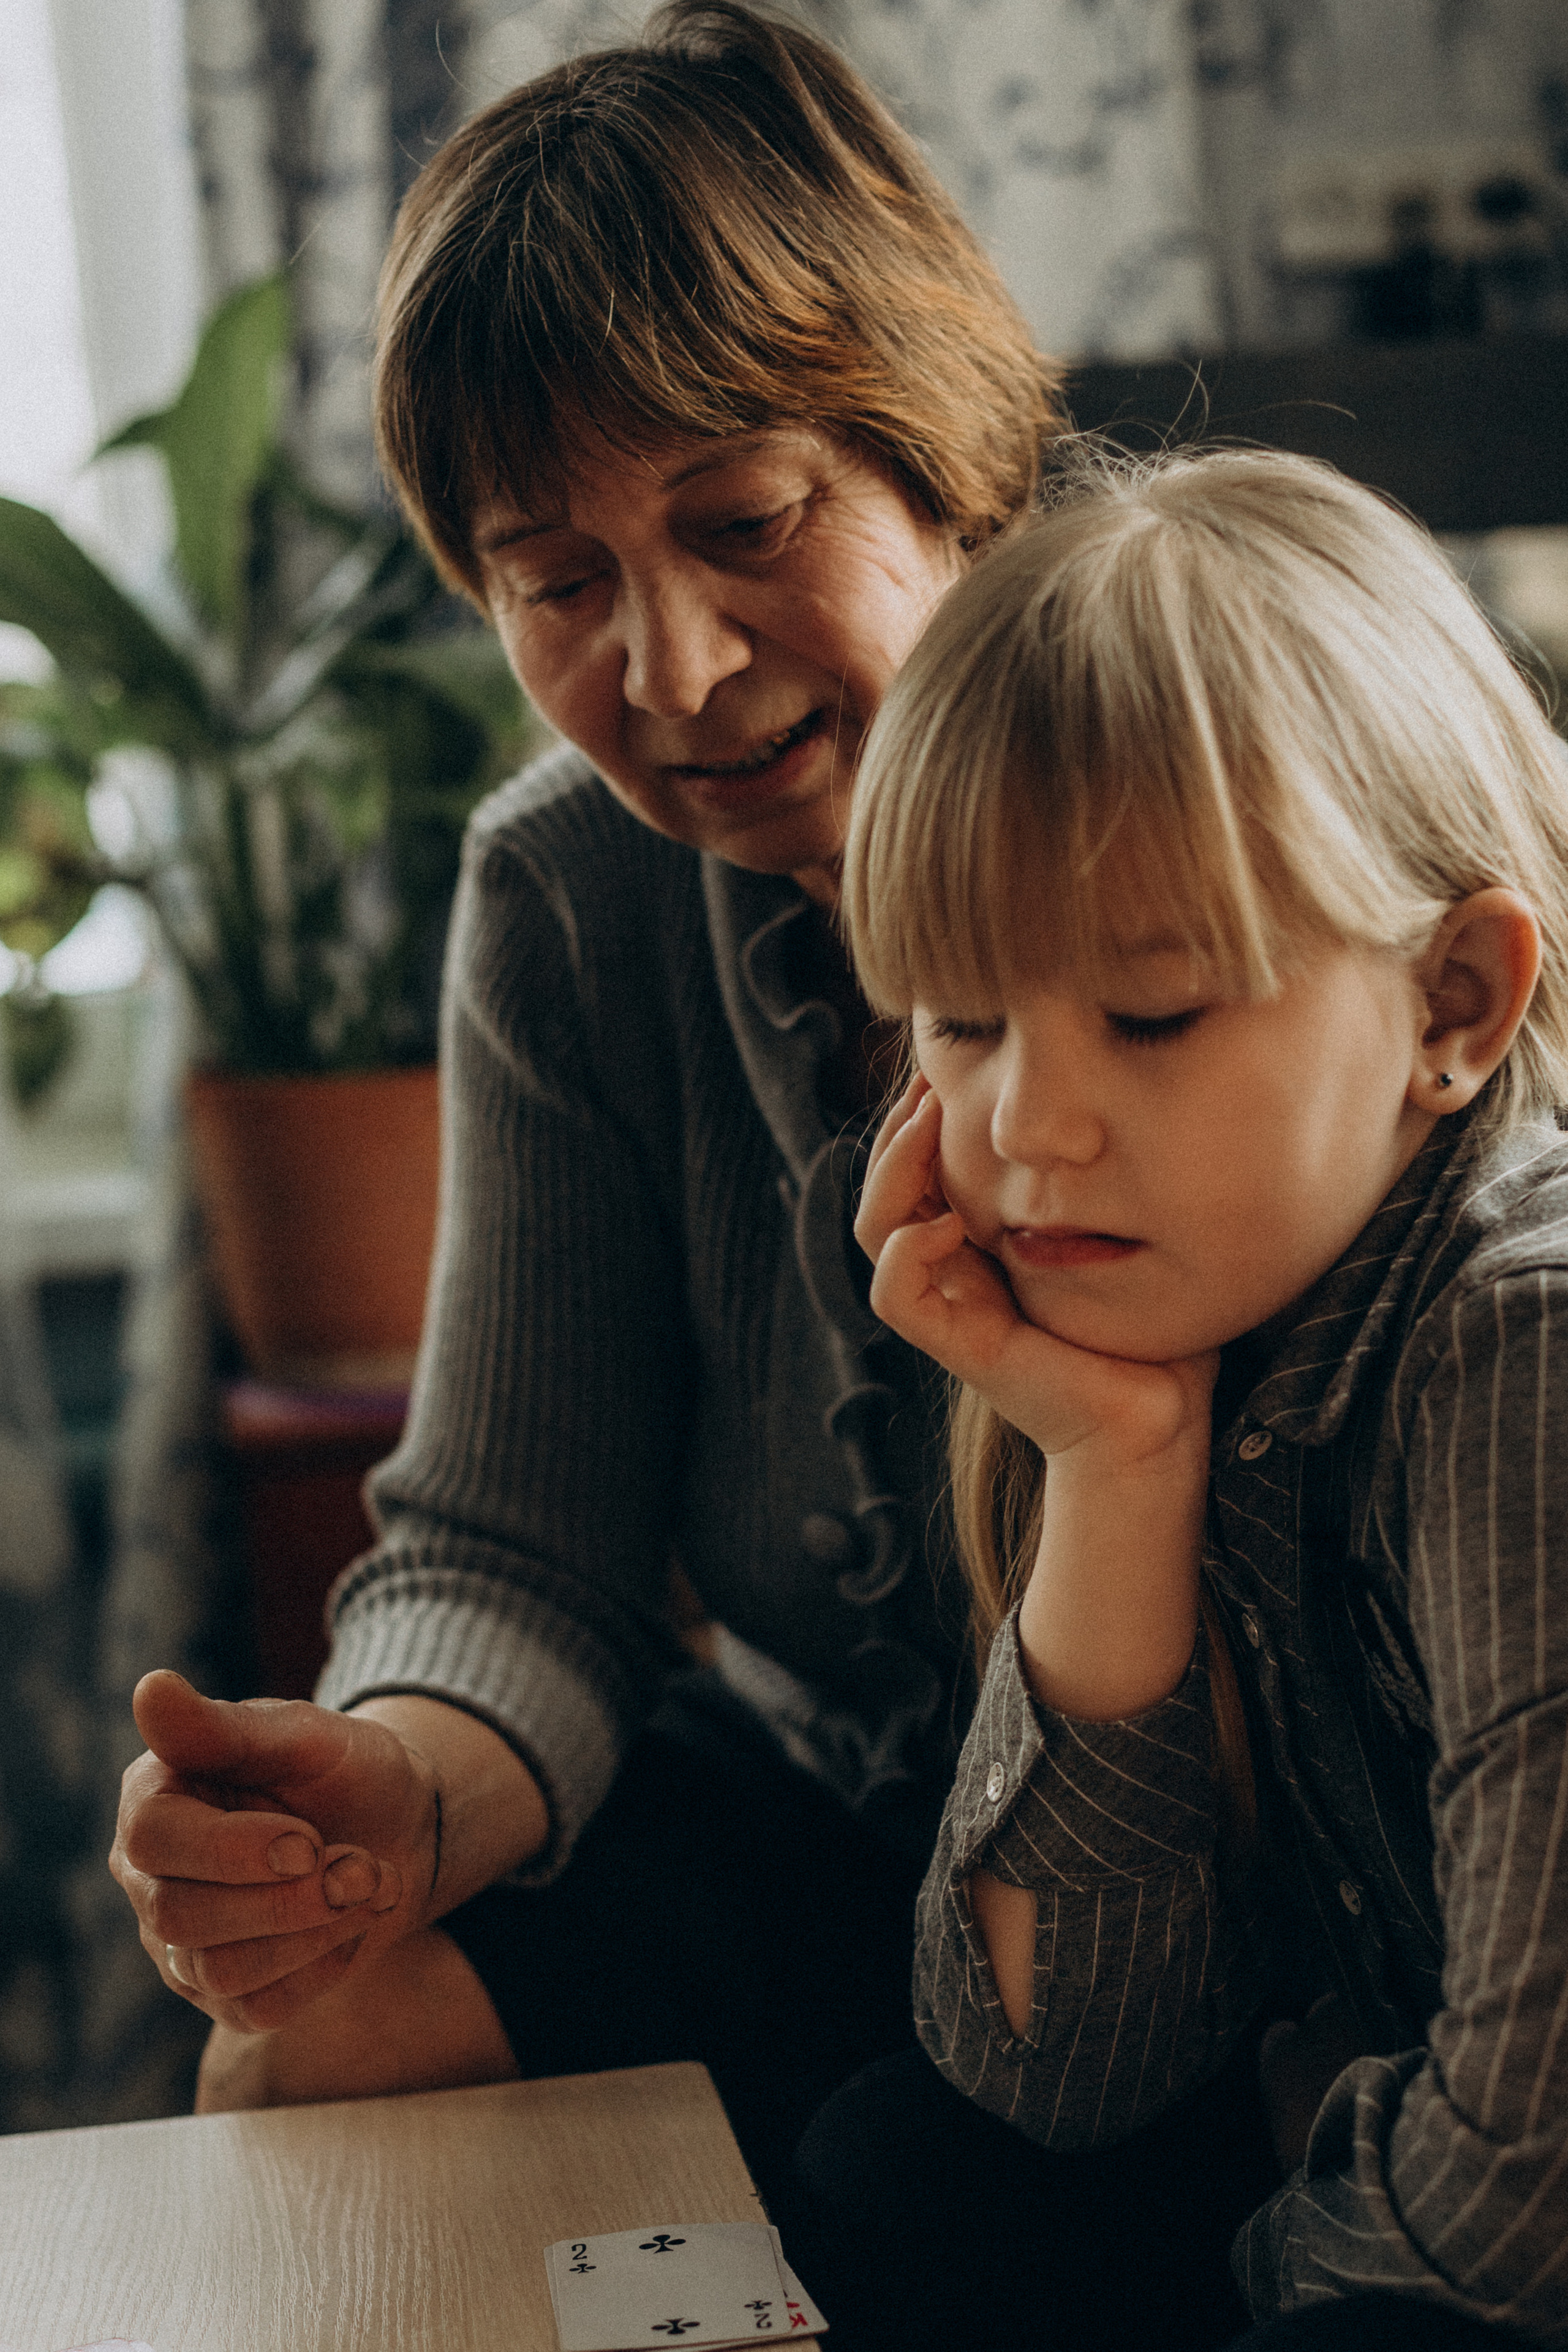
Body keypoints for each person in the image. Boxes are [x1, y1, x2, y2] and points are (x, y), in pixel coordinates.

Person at [108, 0, 1058, 2225]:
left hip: (1210, 1872)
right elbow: (514, 1550)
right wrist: (388, 1805)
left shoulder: (1217, 779)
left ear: (936, 451)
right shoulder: (564, 891)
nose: (675, 667)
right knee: (310, 2037)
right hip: (822, 1815)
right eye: (555, 582)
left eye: (743, 522)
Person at [834, 443, 1568, 2346]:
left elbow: (1530, 2208)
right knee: (909, 2169)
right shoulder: (1219, 1324)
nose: (1025, 1128)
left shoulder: (1530, 1343)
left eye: (1153, 1015)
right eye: (964, 1021)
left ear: (1457, 1005)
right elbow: (1043, 2075)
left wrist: (1258, 2240)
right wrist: (1114, 1454)